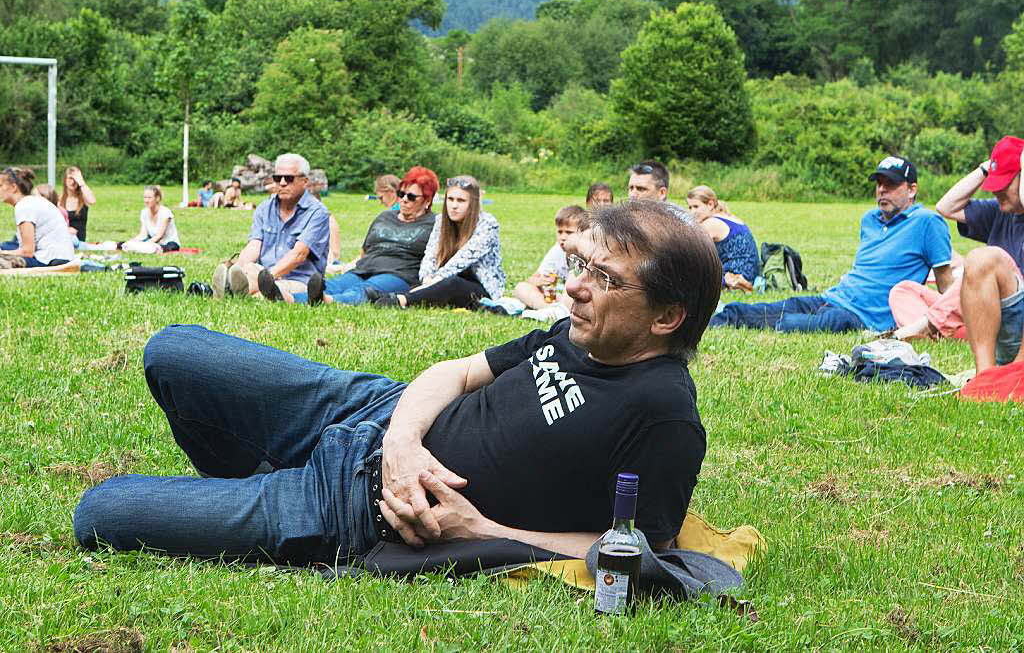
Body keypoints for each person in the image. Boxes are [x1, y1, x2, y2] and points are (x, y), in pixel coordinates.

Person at [72, 200, 721, 565]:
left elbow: (639, 552)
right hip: (376, 408)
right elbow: (461, 370)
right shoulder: (577, 328)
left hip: (354, 507)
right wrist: (404, 440)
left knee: (98, 511)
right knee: (172, 349)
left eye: (606, 279)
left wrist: (475, 527)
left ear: (666, 317)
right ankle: (258, 476)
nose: (576, 285)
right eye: (584, 265)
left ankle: (266, 494)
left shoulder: (661, 413)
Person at [711, 156, 953, 333]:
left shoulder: (927, 223)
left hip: (863, 317)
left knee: (789, 324)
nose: (882, 190)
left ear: (912, 190)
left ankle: (722, 318)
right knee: (785, 305)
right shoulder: (869, 220)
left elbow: (946, 287)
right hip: (836, 296)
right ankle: (717, 315)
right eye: (879, 184)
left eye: (890, 185)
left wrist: (943, 325)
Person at [286, 167, 438, 306]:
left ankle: (327, 301)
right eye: (401, 194)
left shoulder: (434, 224)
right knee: (335, 285)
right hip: (365, 268)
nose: (404, 199)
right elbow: (365, 250)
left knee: (363, 290)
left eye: (411, 197)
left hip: (399, 274)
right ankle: (286, 297)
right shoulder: (385, 217)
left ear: (427, 201)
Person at [935, 135, 1024, 372]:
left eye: (1005, 183)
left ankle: (938, 324)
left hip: (1017, 336)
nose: (997, 192)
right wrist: (987, 167)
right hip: (999, 322)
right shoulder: (998, 212)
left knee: (981, 259)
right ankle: (985, 376)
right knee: (903, 291)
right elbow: (946, 207)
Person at [371, 175, 505, 309]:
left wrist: (436, 280)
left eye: (461, 201)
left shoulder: (487, 224)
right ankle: (387, 296)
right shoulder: (441, 221)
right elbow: (431, 253)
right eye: (450, 199)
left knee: (452, 284)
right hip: (443, 280)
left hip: (480, 287)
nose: (454, 206)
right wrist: (426, 277)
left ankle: (401, 300)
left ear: (473, 203)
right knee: (431, 284)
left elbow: (464, 258)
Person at [212, 153, 330, 301]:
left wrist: (269, 277)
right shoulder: (264, 208)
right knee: (249, 269)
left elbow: (299, 254)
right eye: (277, 178)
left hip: (298, 280)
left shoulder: (318, 212)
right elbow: (254, 245)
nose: (282, 183)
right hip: (263, 273)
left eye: (288, 178)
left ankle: (235, 291)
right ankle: (234, 285)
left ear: (304, 181)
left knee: (270, 291)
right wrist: (240, 268)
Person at [686, 185, 760, 291]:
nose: (692, 212)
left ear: (710, 204)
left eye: (696, 207)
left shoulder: (711, 223)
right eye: (690, 207)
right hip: (750, 271)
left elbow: (692, 252)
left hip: (736, 274)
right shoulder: (726, 216)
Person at [514, 205, 587, 311]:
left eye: (569, 232)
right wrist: (540, 281)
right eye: (560, 232)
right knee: (521, 288)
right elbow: (533, 279)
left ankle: (554, 312)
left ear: (583, 234)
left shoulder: (585, 254)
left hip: (574, 300)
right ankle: (547, 310)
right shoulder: (557, 251)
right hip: (553, 298)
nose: (563, 237)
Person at [0, 167, 75, 268]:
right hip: (61, 255)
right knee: (5, 245)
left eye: (0, 186)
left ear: (14, 187)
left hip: (52, 259)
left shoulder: (24, 206)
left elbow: (27, 252)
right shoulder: (30, 201)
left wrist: (4, 253)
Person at [121, 185, 181, 254]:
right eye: (145, 197)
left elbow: (159, 236)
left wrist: (145, 245)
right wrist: (133, 241)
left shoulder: (165, 212)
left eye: (149, 197)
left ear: (157, 198)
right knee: (131, 244)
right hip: (153, 242)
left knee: (166, 247)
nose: (146, 200)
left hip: (168, 244)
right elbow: (143, 234)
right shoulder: (144, 212)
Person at [59, 166, 97, 242]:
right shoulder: (59, 199)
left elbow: (92, 201)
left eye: (75, 179)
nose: (73, 182)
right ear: (65, 180)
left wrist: (81, 182)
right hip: (63, 241)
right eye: (70, 178)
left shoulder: (83, 198)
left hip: (80, 242)